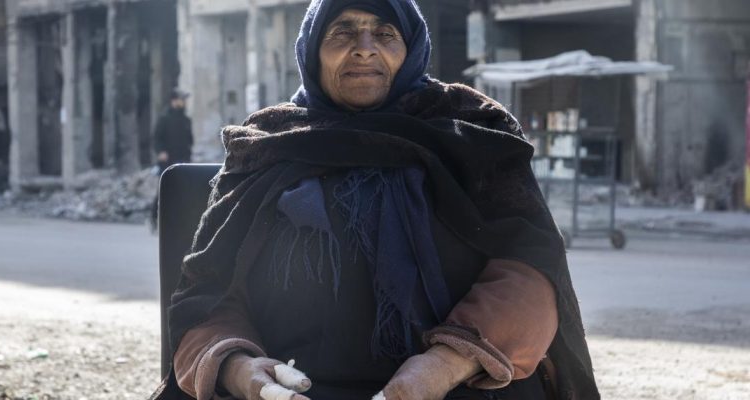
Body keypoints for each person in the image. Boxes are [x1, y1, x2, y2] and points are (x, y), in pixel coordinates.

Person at [151, 0, 599, 399]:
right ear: (311, 50)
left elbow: (532, 271)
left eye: (384, 33)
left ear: (411, 49)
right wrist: (240, 371)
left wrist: (445, 365)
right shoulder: (267, 144)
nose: (364, 48)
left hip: (458, 383)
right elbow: (206, 293)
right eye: (342, 32)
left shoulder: (469, 130)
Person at [151, 89, 195, 231]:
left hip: (183, 161)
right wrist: (161, 152)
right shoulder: (164, 118)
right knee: (163, 191)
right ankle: (154, 219)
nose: (183, 102)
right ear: (174, 101)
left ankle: (178, 222)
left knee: (182, 192)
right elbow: (156, 138)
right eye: (181, 99)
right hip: (167, 161)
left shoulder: (186, 120)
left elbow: (189, 140)